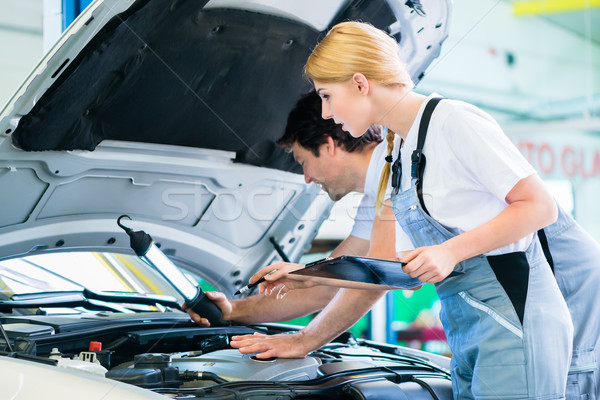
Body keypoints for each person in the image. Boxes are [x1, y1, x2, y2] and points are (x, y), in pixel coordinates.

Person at [232, 21, 576, 400]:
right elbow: (381, 266)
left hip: (514, 317)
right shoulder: (394, 151)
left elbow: (538, 206)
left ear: (361, 84)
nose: (327, 112)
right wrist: (307, 275)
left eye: (327, 96)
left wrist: (450, 251)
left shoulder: (453, 121)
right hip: (465, 323)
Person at [185, 90, 412, 333]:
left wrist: (301, 341)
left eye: (303, 162)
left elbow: (376, 277)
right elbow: (325, 288)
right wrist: (232, 309)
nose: (306, 178)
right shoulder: (374, 200)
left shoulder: (403, 167)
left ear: (328, 146)